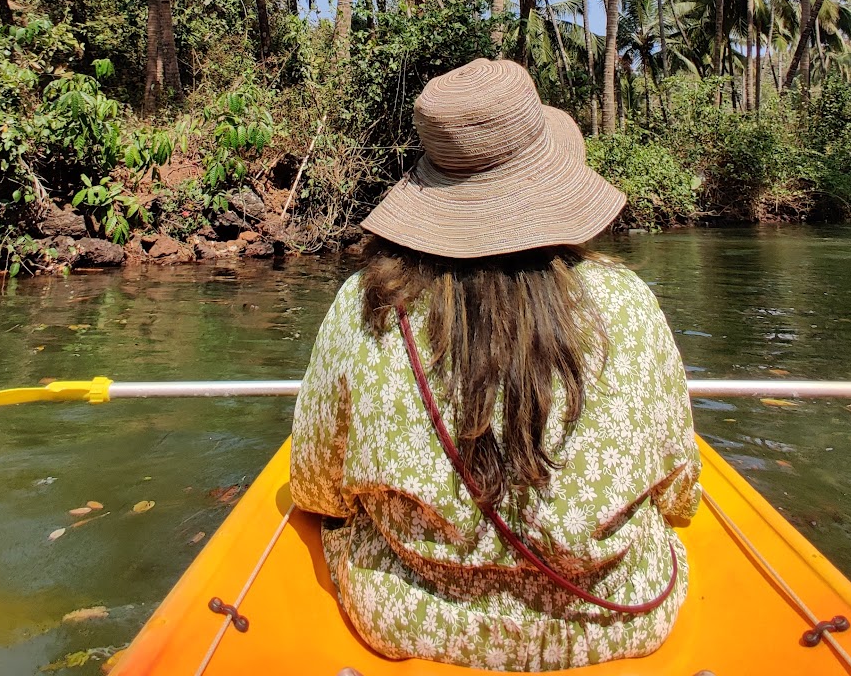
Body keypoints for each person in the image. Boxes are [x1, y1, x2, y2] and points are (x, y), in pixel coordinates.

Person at [291, 58, 700, 672]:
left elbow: (317, 486)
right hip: (609, 619)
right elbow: (679, 499)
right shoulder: (628, 303)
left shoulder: (366, 306)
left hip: (412, 619)